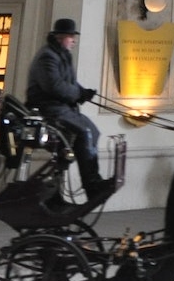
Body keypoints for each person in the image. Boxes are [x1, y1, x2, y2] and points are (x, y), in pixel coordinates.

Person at [25, 17, 110, 201]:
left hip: (61, 107)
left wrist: (82, 92)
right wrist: (78, 94)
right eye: (71, 36)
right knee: (84, 132)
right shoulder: (47, 56)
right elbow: (54, 86)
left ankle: (86, 183)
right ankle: (92, 186)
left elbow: (68, 83)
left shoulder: (60, 55)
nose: (74, 40)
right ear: (59, 37)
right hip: (48, 107)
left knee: (92, 131)